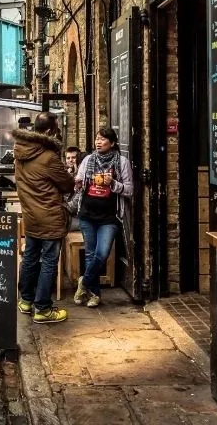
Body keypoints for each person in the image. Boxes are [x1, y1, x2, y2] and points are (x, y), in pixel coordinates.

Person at [12, 112, 74, 324]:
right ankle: (43, 309)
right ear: (48, 131)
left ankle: (26, 301)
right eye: (56, 128)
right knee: (49, 261)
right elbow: (67, 184)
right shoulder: (48, 157)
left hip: (30, 216)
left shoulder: (20, 152)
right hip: (49, 216)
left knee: (30, 258)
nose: (57, 132)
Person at [73, 127, 134, 308]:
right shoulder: (88, 160)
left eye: (103, 139)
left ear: (112, 143)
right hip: (87, 215)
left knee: (102, 253)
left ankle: (84, 282)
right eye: (97, 139)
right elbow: (78, 182)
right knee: (90, 255)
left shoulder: (121, 162)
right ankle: (95, 295)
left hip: (109, 217)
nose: (98, 142)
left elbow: (130, 190)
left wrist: (113, 183)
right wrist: (77, 184)